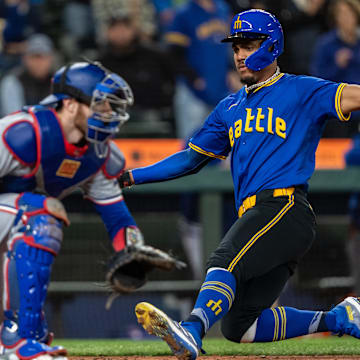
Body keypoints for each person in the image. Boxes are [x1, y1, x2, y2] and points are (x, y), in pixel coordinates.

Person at [118, 9, 360, 360]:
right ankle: (341, 317)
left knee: (225, 258)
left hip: (284, 207)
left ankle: (193, 329)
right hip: (260, 216)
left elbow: (354, 95)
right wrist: (130, 176)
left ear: (272, 46)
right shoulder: (229, 107)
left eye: (248, 45)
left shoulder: (301, 89)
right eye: (236, 47)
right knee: (240, 326)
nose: (240, 54)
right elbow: (189, 159)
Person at [0, 61, 181, 360]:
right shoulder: (22, 132)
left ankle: (26, 337)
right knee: (40, 215)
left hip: (10, 227)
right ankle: (17, 341)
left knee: (39, 216)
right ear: (70, 105)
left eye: (110, 105)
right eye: (100, 104)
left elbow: (117, 218)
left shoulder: (99, 155)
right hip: (18, 218)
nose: (108, 112)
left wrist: (132, 249)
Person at [0, 33, 55, 116]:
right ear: (25, 59)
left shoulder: (58, 82)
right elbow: (15, 120)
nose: (38, 63)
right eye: (34, 57)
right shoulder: (13, 81)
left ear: (51, 58)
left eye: (42, 57)